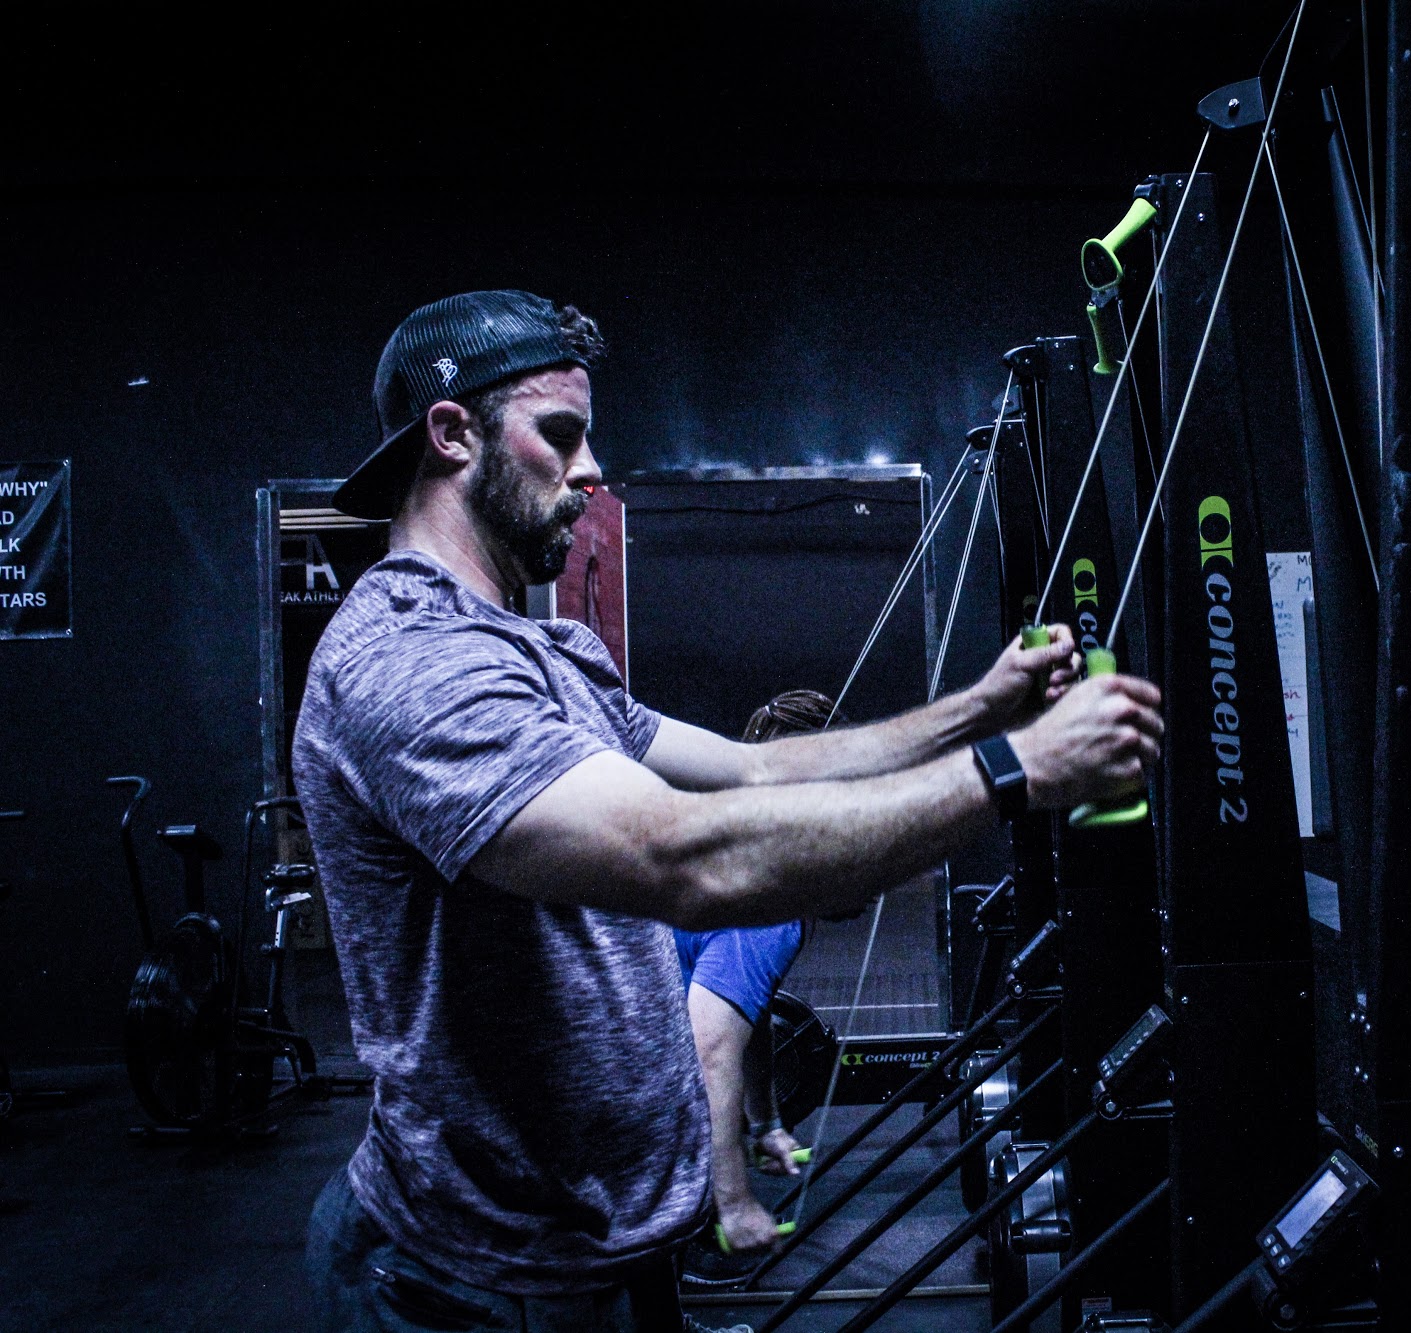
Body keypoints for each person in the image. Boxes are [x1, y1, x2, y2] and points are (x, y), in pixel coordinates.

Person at [293, 290, 1162, 1333]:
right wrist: (1015, 769)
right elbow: (681, 858)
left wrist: (977, 711)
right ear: (451, 434)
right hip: (472, 1284)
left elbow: (751, 773)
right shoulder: (411, 662)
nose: (589, 470)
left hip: (599, 1254)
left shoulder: (547, 654)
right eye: (559, 434)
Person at [677, 690, 839, 1261]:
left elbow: (751, 1017)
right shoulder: (768, 899)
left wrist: (765, 1122)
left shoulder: (739, 843)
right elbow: (712, 1049)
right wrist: (733, 1202)